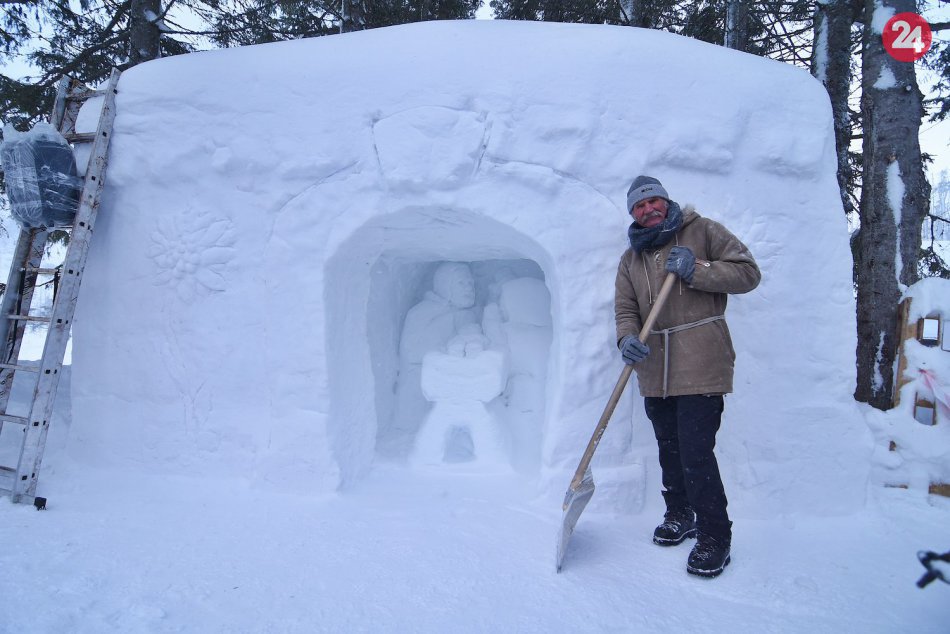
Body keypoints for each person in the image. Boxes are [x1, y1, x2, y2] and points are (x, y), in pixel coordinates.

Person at [614, 175, 760, 578]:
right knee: (668, 448)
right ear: (633, 213)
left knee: (696, 452)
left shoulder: (701, 230)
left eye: (653, 202)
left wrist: (698, 268)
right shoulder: (631, 259)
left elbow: (748, 273)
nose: (648, 210)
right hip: (654, 367)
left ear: (666, 200)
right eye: (639, 206)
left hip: (701, 361)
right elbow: (626, 308)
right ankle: (681, 513)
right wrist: (627, 338)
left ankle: (715, 535)